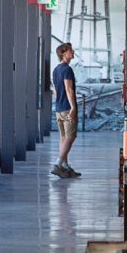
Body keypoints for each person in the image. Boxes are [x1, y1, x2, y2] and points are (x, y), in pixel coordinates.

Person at [52, 43, 81, 178]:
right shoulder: (67, 69)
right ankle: (58, 164)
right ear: (64, 53)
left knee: (63, 137)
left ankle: (65, 166)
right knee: (70, 137)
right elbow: (69, 89)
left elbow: (56, 91)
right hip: (67, 108)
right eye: (70, 50)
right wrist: (73, 108)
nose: (73, 52)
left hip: (59, 108)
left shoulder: (56, 69)